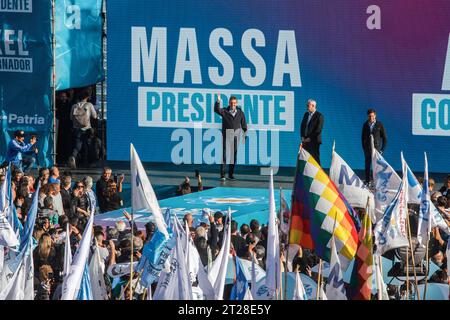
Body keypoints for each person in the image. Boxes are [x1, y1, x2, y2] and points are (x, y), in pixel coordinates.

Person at [214, 94, 247, 180]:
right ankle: (222, 175)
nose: (233, 105)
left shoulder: (240, 113)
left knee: (233, 156)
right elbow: (216, 109)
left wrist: (244, 134)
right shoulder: (225, 111)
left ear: (236, 103)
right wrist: (218, 101)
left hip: (235, 136)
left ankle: (230, 175)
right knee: (224, 155)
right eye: (231, 103)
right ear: (229, 103)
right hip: (226, 135)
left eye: (234, 103)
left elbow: (244, 125)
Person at [68, 87, 98, 169]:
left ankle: (73, 156)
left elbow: (71, 118)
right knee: (89, 145)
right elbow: (95, 116)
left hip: (76, 129)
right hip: (87, 129)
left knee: (78, 146)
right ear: (87, 97)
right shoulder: (89, 105)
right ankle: (90, 163)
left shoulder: (74, 106)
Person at [361, 108, 387, 184]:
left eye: (372, 116)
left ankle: (377, 182)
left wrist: (382, 150)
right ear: (367, 116)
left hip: (377, 150)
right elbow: (362, 138)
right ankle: (368, 181)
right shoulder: (365, 125)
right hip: (368, 149)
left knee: (377, 166)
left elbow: (385, 138)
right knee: (367, 165)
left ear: (375, 116)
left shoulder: (379, 124)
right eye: (369, 116)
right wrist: (364, 148)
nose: (371, 118)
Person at [300, 99, 324, 165]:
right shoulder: (306, 114)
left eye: (308, 105)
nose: (307, 107)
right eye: (307, 105)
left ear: (313, 106)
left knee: (315, 159)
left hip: (314, 141)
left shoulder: (319, 116)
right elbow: (302, 126)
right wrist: (302, 136)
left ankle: (319, 175)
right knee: (305, 159)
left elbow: (318, 130)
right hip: (305, 141)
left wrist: (310, 138)